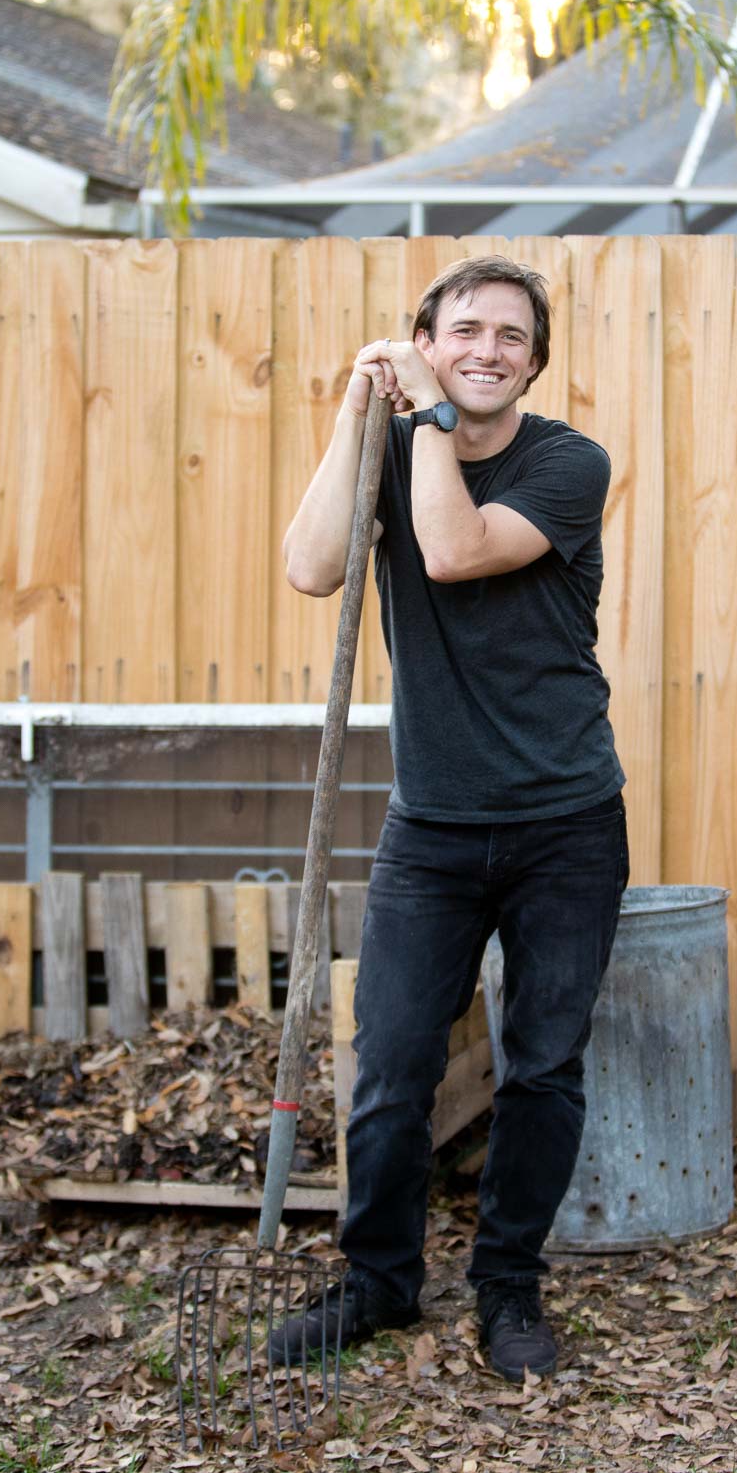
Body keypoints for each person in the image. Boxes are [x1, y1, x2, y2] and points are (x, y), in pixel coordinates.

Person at [277, 254, 628, 1380]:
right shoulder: (393, 443)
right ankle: (378, 1281)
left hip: (566, 823)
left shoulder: (568, 464)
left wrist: (421, 415)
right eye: (464, 329)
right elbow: (311, 567)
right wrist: (357, 412)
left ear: (534, 361)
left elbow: (453, 550)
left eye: (511, 336)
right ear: (425, 341)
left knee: (542, 1067)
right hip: (429, 827)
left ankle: (507, 1285)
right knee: (391, 1064)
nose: (488, 350)